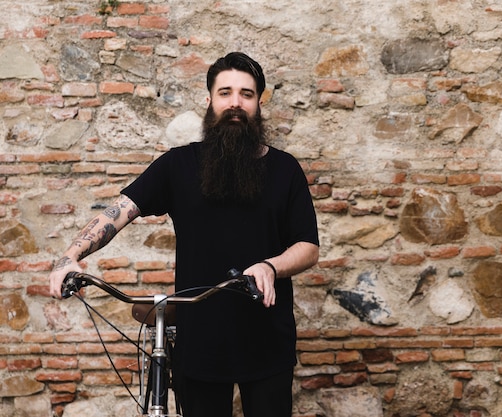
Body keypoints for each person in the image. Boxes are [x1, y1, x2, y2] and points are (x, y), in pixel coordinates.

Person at [48, 52, 320, 417]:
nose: (235, 103)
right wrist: (71, 256)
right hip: (199, 343)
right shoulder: (178, 165)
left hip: (267, 341)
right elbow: (120, 211)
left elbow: (308, 247)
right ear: (209, 101)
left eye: (246, 94)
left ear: (258, 103)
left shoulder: (285, 169)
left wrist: (270, 266)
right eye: (225, 93)